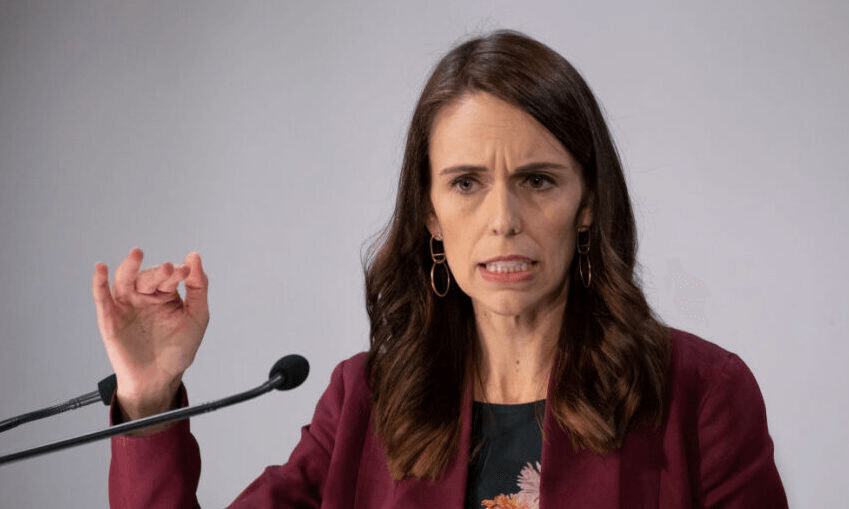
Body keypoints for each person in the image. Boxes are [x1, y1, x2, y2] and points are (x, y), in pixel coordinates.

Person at [93, 30, 788, 508]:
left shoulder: (700, 393)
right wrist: (148, 402)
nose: (502, 218)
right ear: (428, 213)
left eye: (538, 180)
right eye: (465, 183)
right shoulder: (364, 401)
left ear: (586, 205)